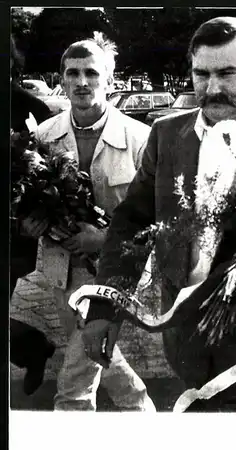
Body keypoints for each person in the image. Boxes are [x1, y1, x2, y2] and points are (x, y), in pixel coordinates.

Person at [80, 17, 236, 412]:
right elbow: (132, 222)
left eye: (227, 73)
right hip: (185, 342)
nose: (212, 88)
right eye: (201, 73)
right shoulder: (166, 134)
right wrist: (106, 306)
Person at [24, 35, 156, 411]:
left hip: (116, 272)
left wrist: (103, 239)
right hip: (60, 271)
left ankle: (72, 423)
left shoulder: (141, 140)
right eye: (73, 73)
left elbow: (159, 217)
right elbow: (23, 203)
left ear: (110, 82)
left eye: (92, 73)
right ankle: (141, 411)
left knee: (76, 378)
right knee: (95, 354)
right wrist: (29, 224)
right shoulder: (41, 137)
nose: (82, 82)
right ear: (61, 81)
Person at [10, 35, 55, 396]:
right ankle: (32, 346)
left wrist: (38, 214)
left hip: (12, 233)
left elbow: (57, 171)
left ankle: (32, 347)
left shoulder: (28, 110)